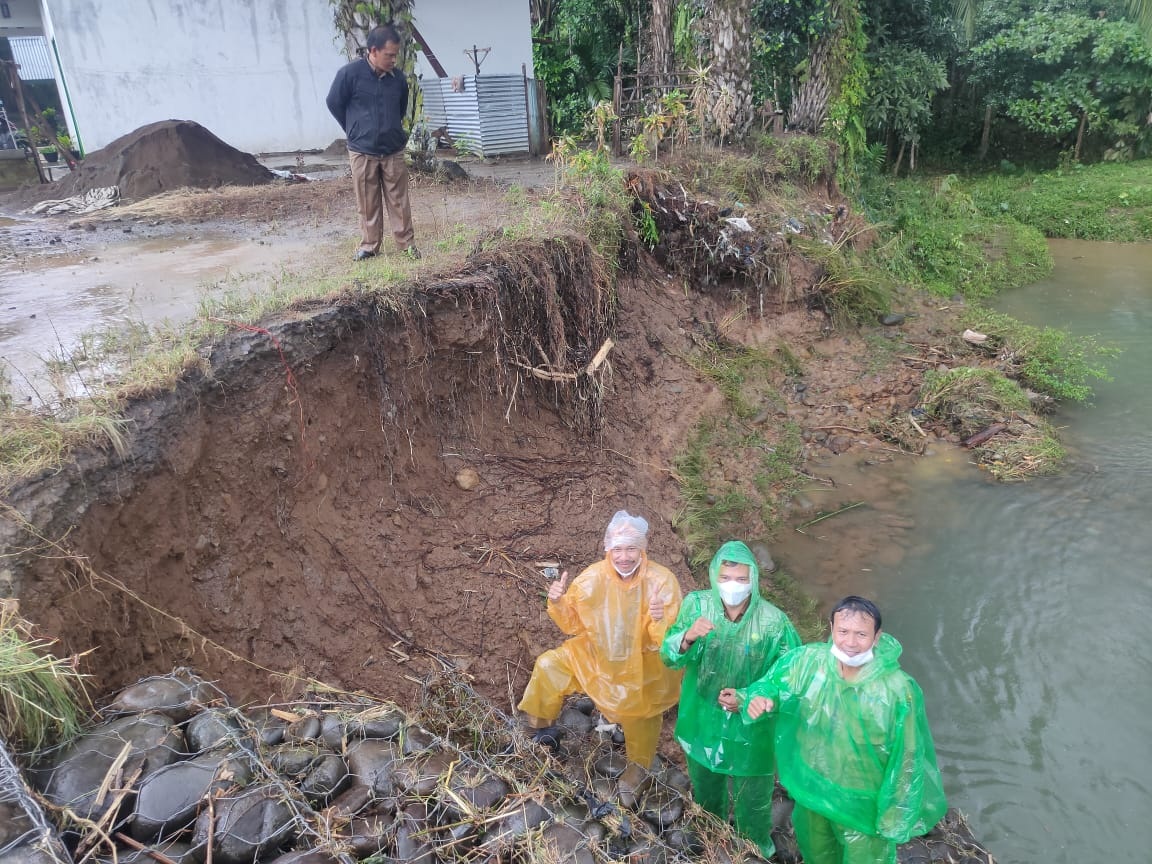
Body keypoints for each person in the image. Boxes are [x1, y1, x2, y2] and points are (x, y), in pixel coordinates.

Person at [740, 596, 947, 864]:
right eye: (843, 631)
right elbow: (771, 686)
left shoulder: (897, 691)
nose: (850, 643)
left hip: (863, 811)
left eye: (861, 634)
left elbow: (907, 757)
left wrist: (894, 817)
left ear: (877, 637)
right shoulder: (809, 662)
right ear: (831, 628)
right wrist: (759, 698)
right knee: (817, 857)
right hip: (813, 795)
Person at [660, 540, 800, 858]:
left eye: (740, 579)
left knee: (754, 796)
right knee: (706, 785)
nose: (732, 586)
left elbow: (790, 677)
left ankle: (754, 849)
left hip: (753, 727)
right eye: (725, 578)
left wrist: (749, 696)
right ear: (713, 577)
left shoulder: (774, 623)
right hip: (703, 719)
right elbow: (669, 657)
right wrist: (687, 637)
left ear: (753, 578)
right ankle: (712, 837)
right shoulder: (696, 606)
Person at [518, 510, 683, 767]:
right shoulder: (592, 578)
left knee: (642, 716)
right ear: (608, 549)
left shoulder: (662, 582)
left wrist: (660, 620)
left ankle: (638, 770)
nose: (624, 557)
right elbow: (571, 623)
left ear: (643, 549)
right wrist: (557, 601)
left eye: (631, 549)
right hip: (596, 657)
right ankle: (539, 731)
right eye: (618, 549)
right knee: (549, 666)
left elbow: (668, 643)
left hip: (642, 670)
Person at [326, 25, 420, 261]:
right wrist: (354, 130)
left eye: (395, 55)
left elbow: (399, 109)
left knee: (399, 200)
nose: (393, 59)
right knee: (367, 201)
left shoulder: (398, 79)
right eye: (389, 55)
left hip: (392, 150)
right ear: (373, 51)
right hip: (362, 150)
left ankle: (406, 244)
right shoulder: (349, 74)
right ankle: (369, 246)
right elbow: (334, 103)